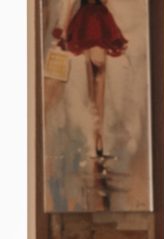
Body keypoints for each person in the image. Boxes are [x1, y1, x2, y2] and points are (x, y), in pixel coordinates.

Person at [52, 0, 128, 158]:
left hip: (92, 21)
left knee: (96, 84)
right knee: (97, 83)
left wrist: (64, 30)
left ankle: (97, 139)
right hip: (94, 21)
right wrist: (64, 29)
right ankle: (97, 139)